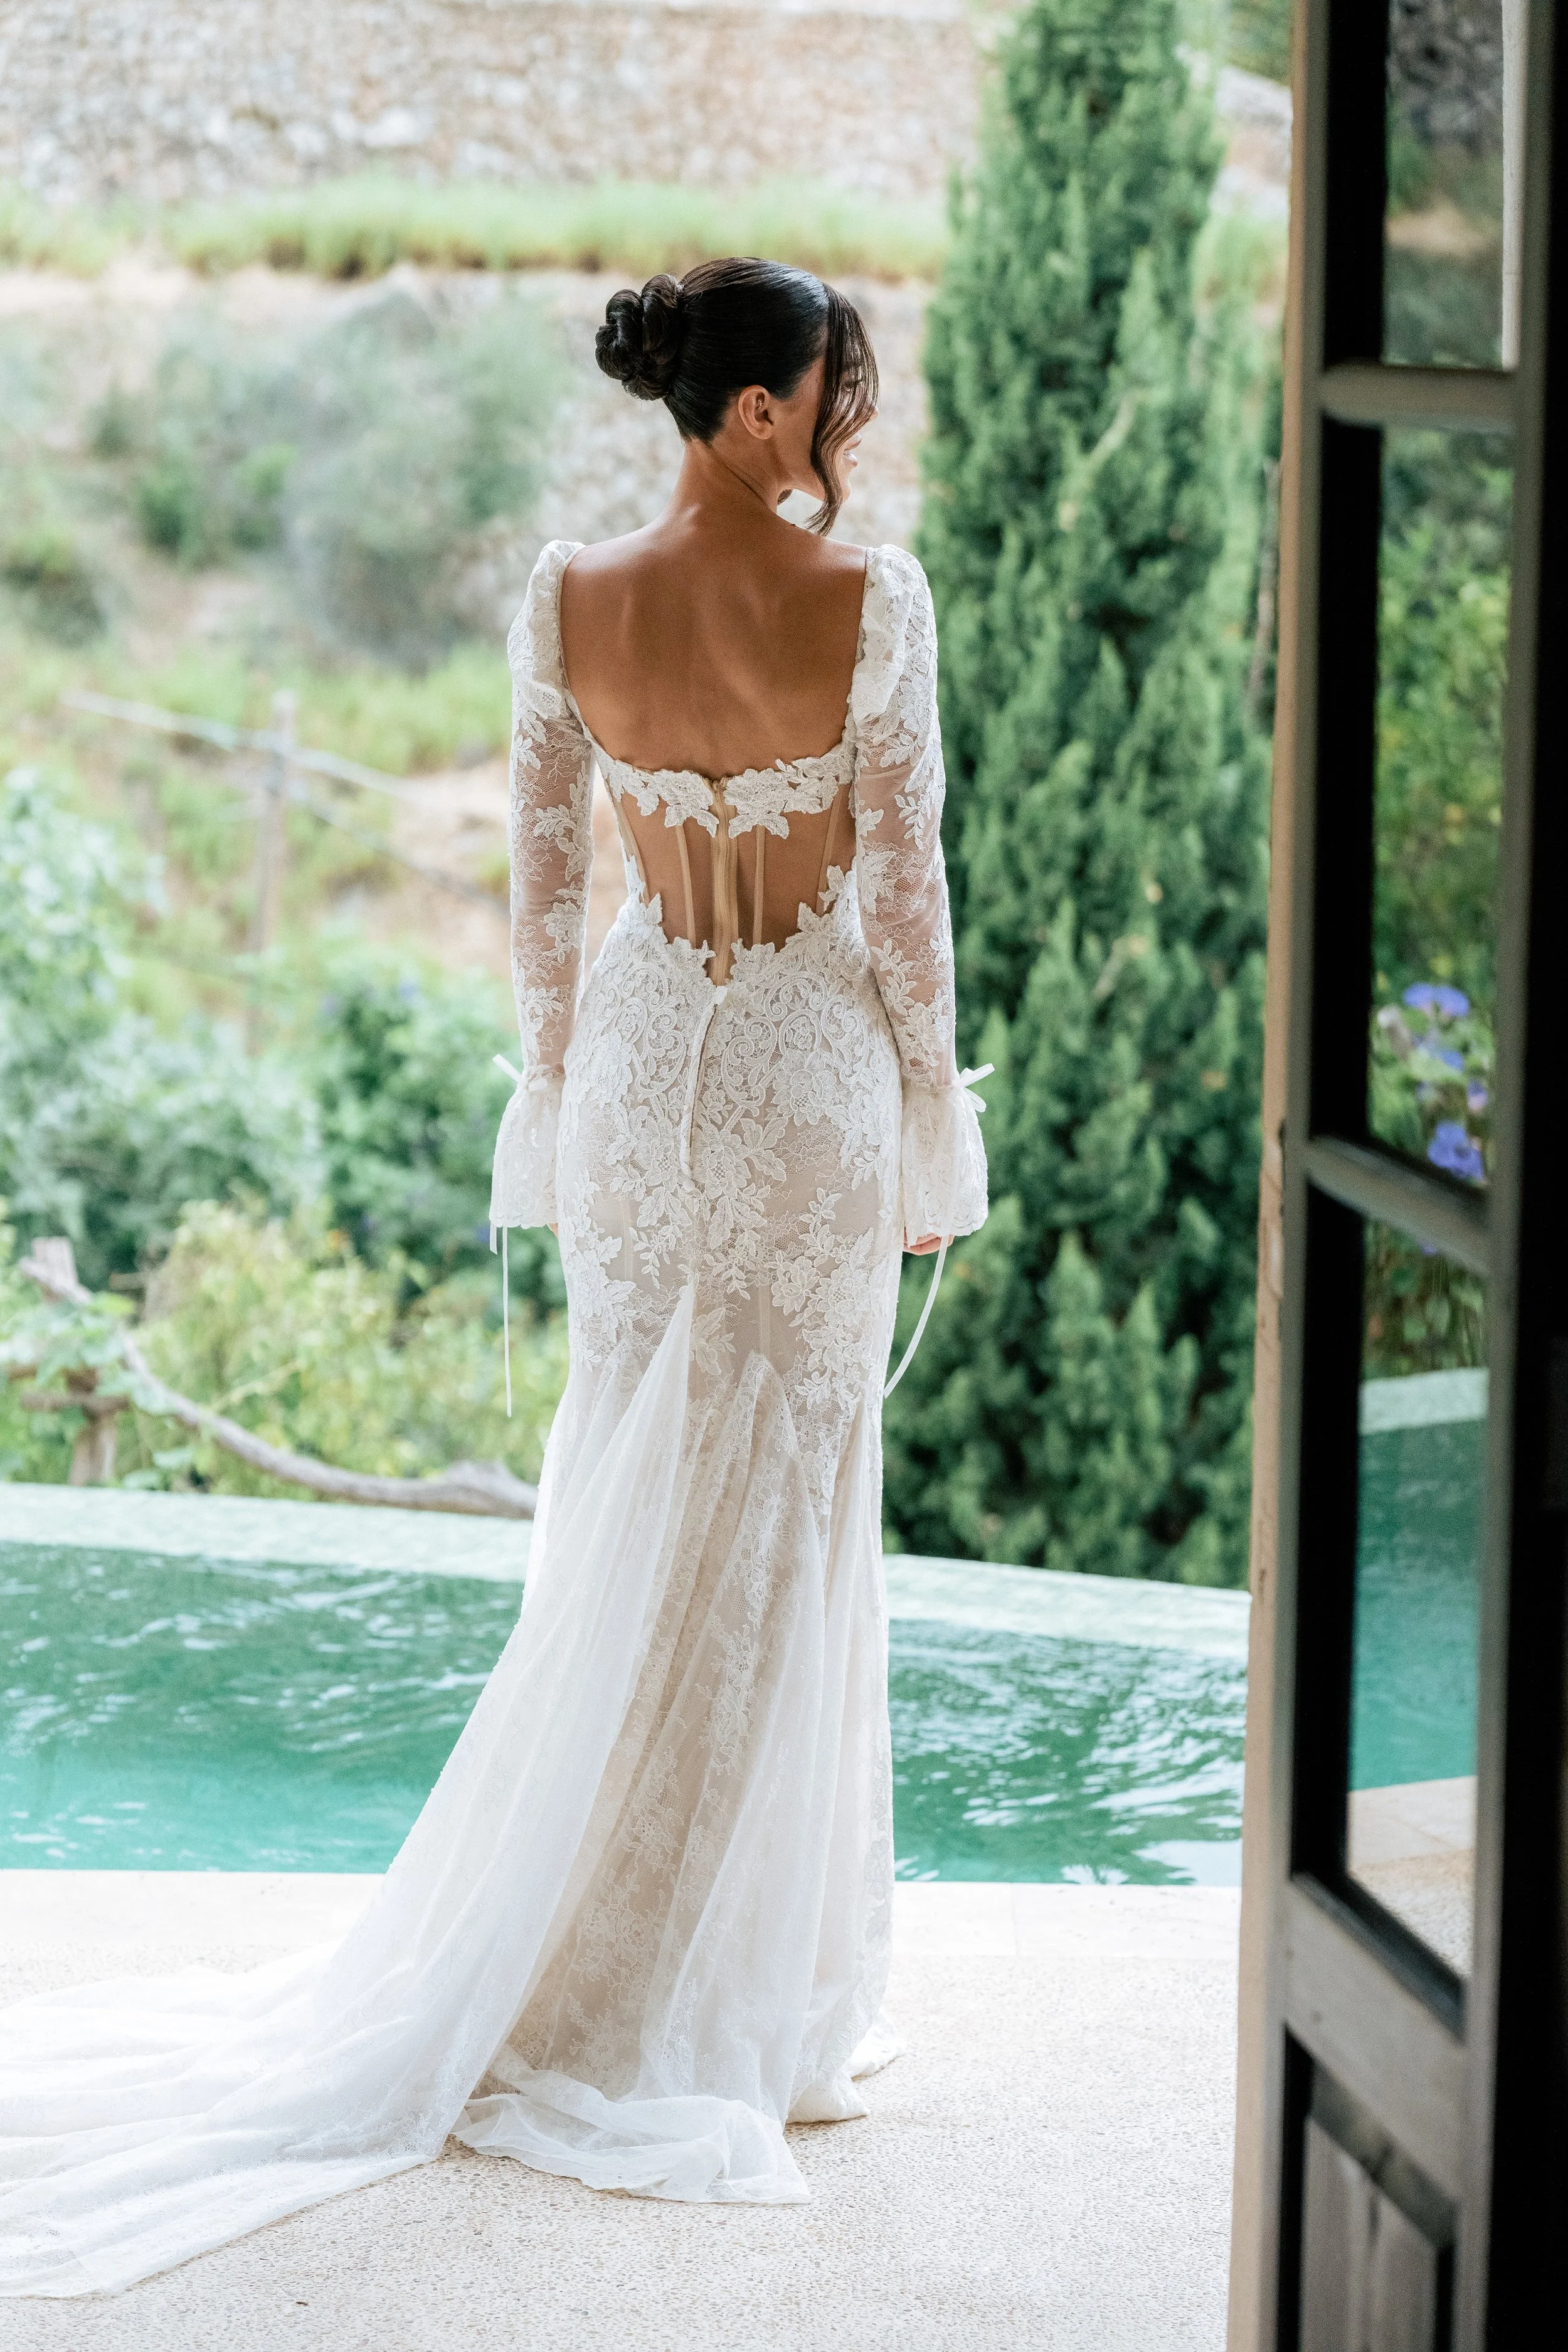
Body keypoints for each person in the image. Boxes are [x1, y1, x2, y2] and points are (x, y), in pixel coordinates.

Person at [0, 258, 988, 2298]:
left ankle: (567, 1946)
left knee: (623, 1489)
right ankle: (729, 1995)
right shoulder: (864, 603)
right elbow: (907, 906)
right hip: (802, 1076)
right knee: (780, 1514)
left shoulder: (569, 599)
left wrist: (558, 1094)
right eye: (824, 389)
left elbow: (541, 896)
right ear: (751, 410)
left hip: (633, 1065)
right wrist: (930, 1127)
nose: (840, 420)